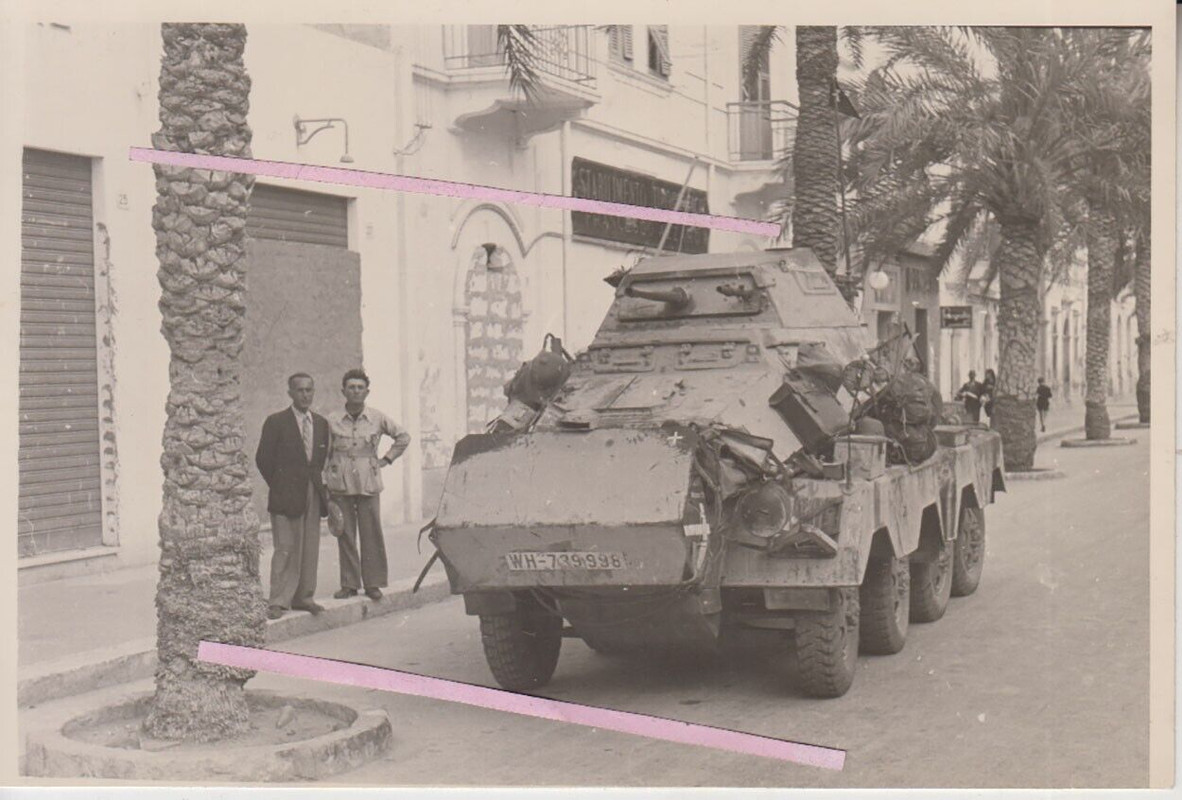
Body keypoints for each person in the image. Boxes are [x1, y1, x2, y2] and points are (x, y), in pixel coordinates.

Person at [325, 368, 412, 602]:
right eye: (351, 387)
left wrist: (386, 459)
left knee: (371, 532)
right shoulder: (332, 419)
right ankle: (349, 583)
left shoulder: (377, 417)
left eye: (360, 387)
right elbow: (325, 450)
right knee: (345, 533)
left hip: (368, 481)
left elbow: (403, 437)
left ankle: (373, 583)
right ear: (343, 391)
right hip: (340, 482)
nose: (355, 391)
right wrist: (326, 479)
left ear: (367, 392)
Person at [255, 373, 331, 620]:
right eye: (300, 390)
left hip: (312, 491)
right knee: (285, 547)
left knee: (310, 547)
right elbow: (263, 459)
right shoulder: (276, 422)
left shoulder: (320, 423)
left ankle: (304, 597)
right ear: (290, 393)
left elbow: (319, 460)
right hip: (285, 494)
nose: (305, 395)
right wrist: (280, 485)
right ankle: (278, 600)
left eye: (309, 390)